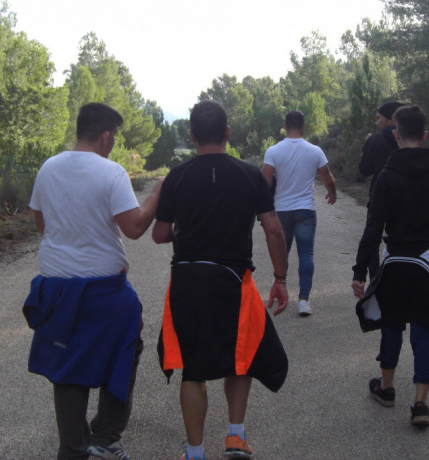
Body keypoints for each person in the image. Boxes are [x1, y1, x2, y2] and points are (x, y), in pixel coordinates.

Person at [22, 102, 162, 460]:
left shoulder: (48, 167)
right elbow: (133, 228)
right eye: (113, 136)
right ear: (106, 135)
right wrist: (155, 197)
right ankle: (106, 437)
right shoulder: (111, 172)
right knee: (124, 349)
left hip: (56, 289)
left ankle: (72, 448)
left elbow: (42, 222)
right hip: (104, 293)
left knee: (68, 366)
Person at [152, 100, 289, 460]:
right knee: (240, 357)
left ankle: (195, 452)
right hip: (233, 281)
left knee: (192, 369)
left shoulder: (177, 177)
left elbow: (160, 234)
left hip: (186, 280)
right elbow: (273, 229)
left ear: (191, 135)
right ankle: (234, 437)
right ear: (227, 133)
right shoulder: (250, 175)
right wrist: (280, 278)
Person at [351, 105, 429, 427]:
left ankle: (387, 388)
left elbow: (373, 228)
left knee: (391, 324)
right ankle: (420, 404)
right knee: (424, 330)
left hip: (395, 263)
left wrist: (359, 272)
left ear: (395, 135)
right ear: (425, 135)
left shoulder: (387, 176)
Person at [261, 110, 337, 317]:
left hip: (282, 209)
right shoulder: (315, 151)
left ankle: (279, 287)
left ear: (285, 126)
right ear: (304, 126)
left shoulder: (273, 151)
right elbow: (328, 178)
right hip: (305, 209)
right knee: (306, 254)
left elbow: (265, 181)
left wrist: (262, 206)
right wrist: (332, 193)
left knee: (282, 252)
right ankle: (304, 300)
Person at [358, 101, 403, 279]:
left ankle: (375, 278)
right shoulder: (410, 138)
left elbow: (364, 169)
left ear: (391, 119)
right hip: (405, 196)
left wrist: (366, 145)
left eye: (379, 118)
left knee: (372, 238)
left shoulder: (376, 140)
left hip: (378, 195)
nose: (377, 123)